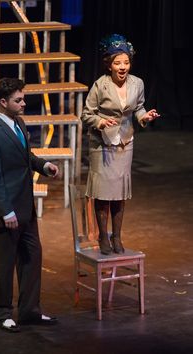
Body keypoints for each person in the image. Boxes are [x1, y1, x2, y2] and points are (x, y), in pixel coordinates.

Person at [0, 77, 59, 332]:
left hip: (25, 207)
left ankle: (30, 311)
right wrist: (6, 211)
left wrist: (43, 165)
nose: (24, 103)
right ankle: (3, 313)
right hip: (7, 211)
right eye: (18, 100)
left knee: (32, 257)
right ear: (3, 102)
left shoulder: (18, 123)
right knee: (4, 263)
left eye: (23, 98)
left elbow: (27, 155)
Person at [81, 34, 160, 255]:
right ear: (109, 65)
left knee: (119, 193)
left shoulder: (137, 83)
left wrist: (145, 117)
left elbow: (139, 109)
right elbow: (86, 114)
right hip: (102, 144)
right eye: (117, 63)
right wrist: (101, 122)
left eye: (126, 62)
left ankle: (117, 235)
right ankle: (102, 236)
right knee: (103, 193)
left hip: (125, 143)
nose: (122, 67)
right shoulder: (101, 85)